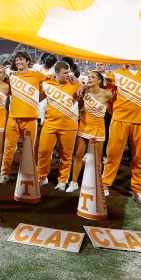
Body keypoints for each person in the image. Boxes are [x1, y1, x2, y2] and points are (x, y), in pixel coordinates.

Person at [100, 64, 141, 204]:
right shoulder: (116, 74)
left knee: (139, 158)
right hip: (120, 120)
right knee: (113, 154)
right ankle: (104, 185)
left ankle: (137, 190)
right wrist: (112, 111)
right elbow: (107, 94)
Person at [0, 51, 49, 184]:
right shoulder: (11, 76)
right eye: (17, 60)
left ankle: (27, 174)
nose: (19, 62)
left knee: (29, 149)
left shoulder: (36, 74)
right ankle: (4, 173)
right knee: (9, 147)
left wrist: (38, 97)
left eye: (21, 60)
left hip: (31, 118)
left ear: (27, 61)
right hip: (13, 117)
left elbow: (51, 84)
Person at [36, 61, 81, 190]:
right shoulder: (46, 84)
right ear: (56, 73)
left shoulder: (75, 83)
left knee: (66, 155)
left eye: (69, 72)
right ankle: (42, 177)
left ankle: (63, 180)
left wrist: (81, 85)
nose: (68, 75)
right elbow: (37, 98)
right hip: (50, 123)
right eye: (65, 73)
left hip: (69, 125)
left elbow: (84, 89)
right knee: (43, 151)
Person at [68, 70, 112, 192]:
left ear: (99, 80)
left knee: (97, 159)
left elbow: (114, 107)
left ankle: (97, 183)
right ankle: (74, 182)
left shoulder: (107, 95)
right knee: (78, 156)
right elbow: (80, 104)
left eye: (93, 77)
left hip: (99, 128)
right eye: (88, 77)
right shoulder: (84, 91)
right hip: (84, 126)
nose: (89, 78)